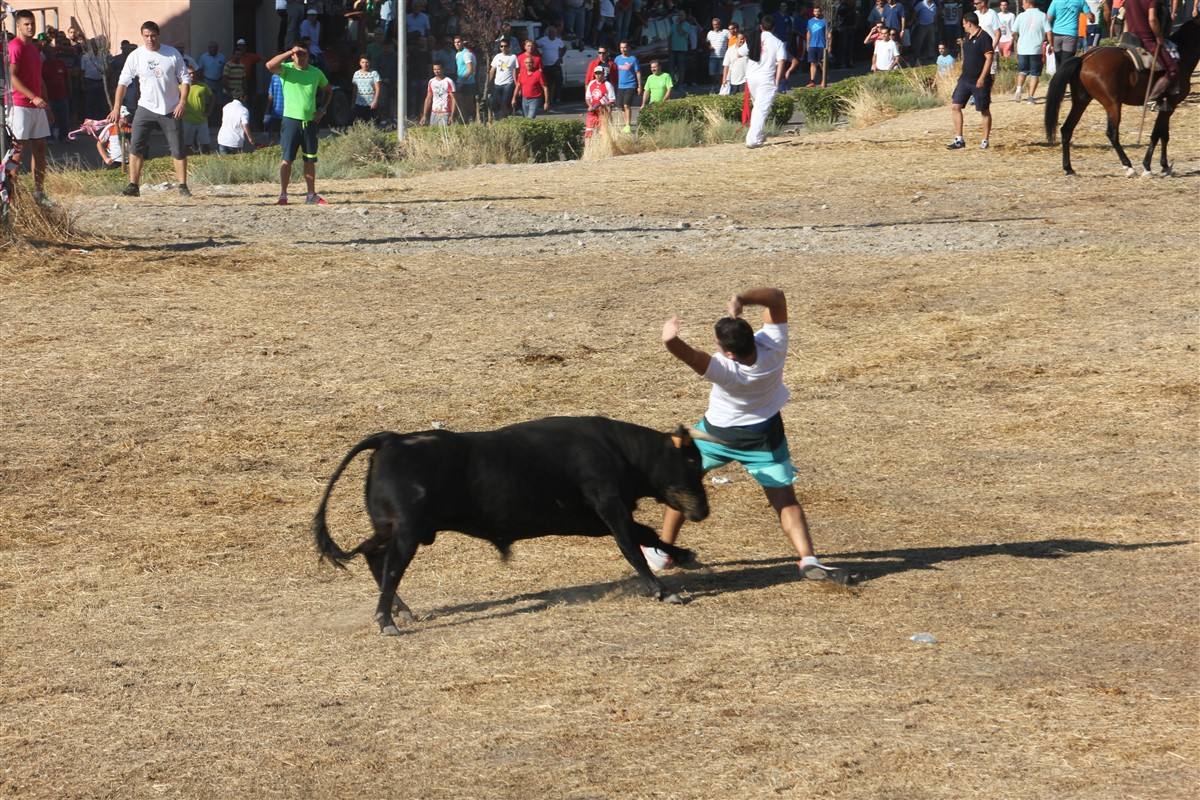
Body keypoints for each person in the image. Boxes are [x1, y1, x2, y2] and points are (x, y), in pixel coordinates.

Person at [651, 288, 850, 584]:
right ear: (752, 334)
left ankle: (663, 551)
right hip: (763, 437)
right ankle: (808, 558)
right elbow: (778, 297)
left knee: (683, 480)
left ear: (728, 353)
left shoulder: (724, 370)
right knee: (784, 500)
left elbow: (686, 354)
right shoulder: (774, 346)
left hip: (716, 436)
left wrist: (669, 336)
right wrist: (742, 299)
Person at [110, 21, 191, 198]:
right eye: (146, 36)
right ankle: (133, 185)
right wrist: (116, 107)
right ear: (142, 36)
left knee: (177, 148)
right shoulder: (136, 55)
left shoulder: (171, 53)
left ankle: (183, 185)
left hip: (170, 109)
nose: (149, 39)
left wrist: (182, 102)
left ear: (158, 35)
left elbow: (185, 79)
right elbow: (123, 83)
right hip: (145, 107)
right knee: (136, 147)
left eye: (153, 35)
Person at [267, 43, 332, 206]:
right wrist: (290, 50)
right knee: (287, 159)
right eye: (298, 54)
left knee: (309, 159)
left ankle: (311, 195)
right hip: (290, 121)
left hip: (310, 122)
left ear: (308, 56)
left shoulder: (316, 72)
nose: (301, 57)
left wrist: (322, 110)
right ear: (292, 56)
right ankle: (283, 195)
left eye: (304, 54)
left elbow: (329, 89)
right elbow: (269, 65)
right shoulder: (286, 69)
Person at [7, 9, 52, 203]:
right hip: (20, 105)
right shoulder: (15, 46)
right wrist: (32, 97)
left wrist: (46, 105)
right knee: (17, 151)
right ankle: (10, 196)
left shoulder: (34, 48)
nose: (30, 27)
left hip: (37, 106)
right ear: (18, 26)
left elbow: (39, 77)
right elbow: (12, 77)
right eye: (26, 24)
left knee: (40, 148)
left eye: (32, 23)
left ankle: (39, 193)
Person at [948, 11, 994, 150]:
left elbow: (989, 58)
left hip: (979, 80)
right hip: (965, 79)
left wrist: (982, 77)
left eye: (964, 24)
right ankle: (959, 139)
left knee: (984, 110)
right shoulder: (967, 37)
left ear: (969, 23)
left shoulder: (984, 37)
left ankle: (985, 140)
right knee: (955, 106)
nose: (963, 26)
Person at [1123, 0, 1179, 103]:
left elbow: (1126, 19)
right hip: (1146, 40)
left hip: (1130, 39)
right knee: (1173, 69)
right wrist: (1159, 36)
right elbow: (1152, 19)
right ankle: (1153, 98)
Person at [745, 15, 787, 148]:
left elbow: (740, 52)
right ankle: (752, 139)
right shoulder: (778, 42)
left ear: (761, 26)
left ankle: (758, 136)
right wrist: (777, 80)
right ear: (773, 28)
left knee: (758, 107)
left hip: (751, 77)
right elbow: (781, 62)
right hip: (766, 78)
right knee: (761, 109)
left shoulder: (754, 39)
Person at [1012, 0, 1051, 102]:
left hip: (1022, 48)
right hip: (1036, 49)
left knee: (1022, 71)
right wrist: (1051, 44)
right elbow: (1049, 32)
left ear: (1028, 3)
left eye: (1023, 3)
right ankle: (1030, 97)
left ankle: (1018, 90)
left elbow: (1013, 32)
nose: (1022, 5)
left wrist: (1018, 41)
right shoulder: (1042, 15)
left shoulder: (1020, 16)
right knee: (1035, 73)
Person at [1046, 0, 1092, 67]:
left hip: (1056, 34)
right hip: (1071, 35)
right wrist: (1092, 18)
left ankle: (1059, 76)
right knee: (1066, 63)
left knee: (1058, 62)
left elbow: (1048, 19)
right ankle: (1064, 76)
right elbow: (1090, 16)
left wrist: (1047, 35)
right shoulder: (1080, 1)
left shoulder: (1056, 1)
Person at [40, 40, 70, 142]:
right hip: (50, 97)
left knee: (64, 118)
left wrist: (68, 92)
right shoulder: (43, 66)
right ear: (45, 54)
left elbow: (66, 78)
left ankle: (63, 136)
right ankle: (50, 137)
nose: (50, 54)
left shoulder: (61, 63)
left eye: (51, 52)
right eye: (47, 52)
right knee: (50, 119)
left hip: (62, 96)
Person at [181, 64, 214, 154]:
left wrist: (209, 111)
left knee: (205, 145)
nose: (192, 75)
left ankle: (207, 162)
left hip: (202, 120)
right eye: (190, 74)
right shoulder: (180, 87)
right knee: (187, 145)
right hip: (187, 120)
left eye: (194, 73)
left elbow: (212, 98)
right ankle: (188, 161)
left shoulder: (203, 86)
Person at [612, 40, 641, 133]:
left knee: (626, 105)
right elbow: (614, 72)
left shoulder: (633, 59)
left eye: (625, 47)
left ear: (628, 48)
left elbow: (638, 72)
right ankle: (626, 124)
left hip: (630, 85)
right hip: (620, 86)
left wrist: (639, 85)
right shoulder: (617, 59)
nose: (623, 49)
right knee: (621, 107)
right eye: (621, 47)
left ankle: (628, 125)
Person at [488, 39, 518, 121]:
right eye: (501, 46)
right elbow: (492, 70)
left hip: (508, 83)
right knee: (494, 102)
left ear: (509, 47)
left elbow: (515, 72)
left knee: (504, 102)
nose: (504, 48)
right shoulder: (497, 56)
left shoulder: (513, 57)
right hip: (497, 83)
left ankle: (505, 119)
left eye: (505, 46)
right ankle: (498, 118)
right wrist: (489, 82)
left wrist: (517, 86)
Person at [537, 25, 567, 104]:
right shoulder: (543, 40)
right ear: (548, 33)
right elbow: (534, 46)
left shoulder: (558, 41)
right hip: (545, 65)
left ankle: (557, 99)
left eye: (554, 32)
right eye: (551, 32)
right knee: (546, 83)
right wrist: (539, 55)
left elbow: (564, 48)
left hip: (556, 65)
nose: (552, 34)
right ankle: (547, 100)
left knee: (558, 82)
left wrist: (560, 57)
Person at [584, 64, 615, 138]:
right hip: (592, 113)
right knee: (589, 134)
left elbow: (612, 101)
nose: (598, 75)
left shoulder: (608, 85)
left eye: (600, 73)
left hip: (603, 112)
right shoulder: (591, 83)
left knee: (603, 134)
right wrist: (590, 106)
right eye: (596, 73)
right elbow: (587, 97)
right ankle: (589, 148)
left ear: (603, 74)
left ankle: (603, 148)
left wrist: (602, 105)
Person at [421, 62, 456, 126]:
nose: (436, 71)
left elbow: (453, 99)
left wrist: (452, 115)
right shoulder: (431, 81)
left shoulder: (449, 81)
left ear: (443, 69)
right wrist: (424, 115)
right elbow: (428, 98)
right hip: (434, 112)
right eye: (434, 69)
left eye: (438, 69)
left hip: (445, 112)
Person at [196, 40, 227, 114]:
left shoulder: (222, 57)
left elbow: (225, 69)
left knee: (220, 101)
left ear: (217, 48)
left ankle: (218, 119)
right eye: (211, 47)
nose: (213, 49)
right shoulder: (203, 57)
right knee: (208, 101)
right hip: (208, 82)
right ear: (208, 48)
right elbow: (199, 70)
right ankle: (209, 119)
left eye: (214, 47)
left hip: (219, 82)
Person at [351, 55, 382, 123]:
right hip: (359, 103)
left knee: (372, 123)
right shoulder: (356, 74)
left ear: (370, 63)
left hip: (371, 103)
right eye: (363, 62)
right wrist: (353, 102)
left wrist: (375, 101)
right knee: (360, 123)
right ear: (360, 63)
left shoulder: (374, 73)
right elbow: (355, 89)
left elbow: (378, 88)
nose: (365, 64)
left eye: (367, 62)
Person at [452, 36, 476, 122]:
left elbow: (470, 70)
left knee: (469, 104)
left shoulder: (467, 54)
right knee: (460, 103)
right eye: (455, 42)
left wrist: (461, 82)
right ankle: (464, 120)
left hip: (468, 83)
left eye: (458, 42)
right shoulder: (458, 54)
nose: (457, 44)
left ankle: (474, 120)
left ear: (462, 42)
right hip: (460, 81)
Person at [722, 25, 749, 94]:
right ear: (736, 39)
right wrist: (724, 79)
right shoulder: (730, 50)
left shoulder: (747, 49)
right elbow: (726, 65)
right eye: (741, 39)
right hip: (733, 80)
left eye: (744, 39)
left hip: (745, 80)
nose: (742, 41)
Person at [805, 6, 829, 85]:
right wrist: (808, 44)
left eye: (818, 11)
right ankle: (812, 81)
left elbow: (827, 34)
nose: (817, 13)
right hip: (812, 45)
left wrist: (828, 44)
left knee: (821, 63)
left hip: (821, 45)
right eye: (815, 11)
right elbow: (808, 33)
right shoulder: (810, 21)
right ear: (813, 12)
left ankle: (824, 79)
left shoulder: (824, 21)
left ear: (821, 12)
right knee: (812, 63)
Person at [707, 17, 731, 85]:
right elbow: (707, 42)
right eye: (714, 24)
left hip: (723, 57)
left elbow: (731, 40)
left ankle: (721, 88)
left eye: (717, 24)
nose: (716, 26)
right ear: (712, 25)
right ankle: (714, 87)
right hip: (712, 57)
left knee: (722, 74)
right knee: (712, 74)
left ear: (720, 24)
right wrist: (709, 46)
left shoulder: (725, 32)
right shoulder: (710, 33)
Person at [265, 69, 285, 141]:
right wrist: (268, 110)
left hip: (286, 112)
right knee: (276, 136)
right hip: (277, 112)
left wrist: (267, 110)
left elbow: (270, 95)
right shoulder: (274, 77)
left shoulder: (289, 77)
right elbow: (271, 95)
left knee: (280, 136)